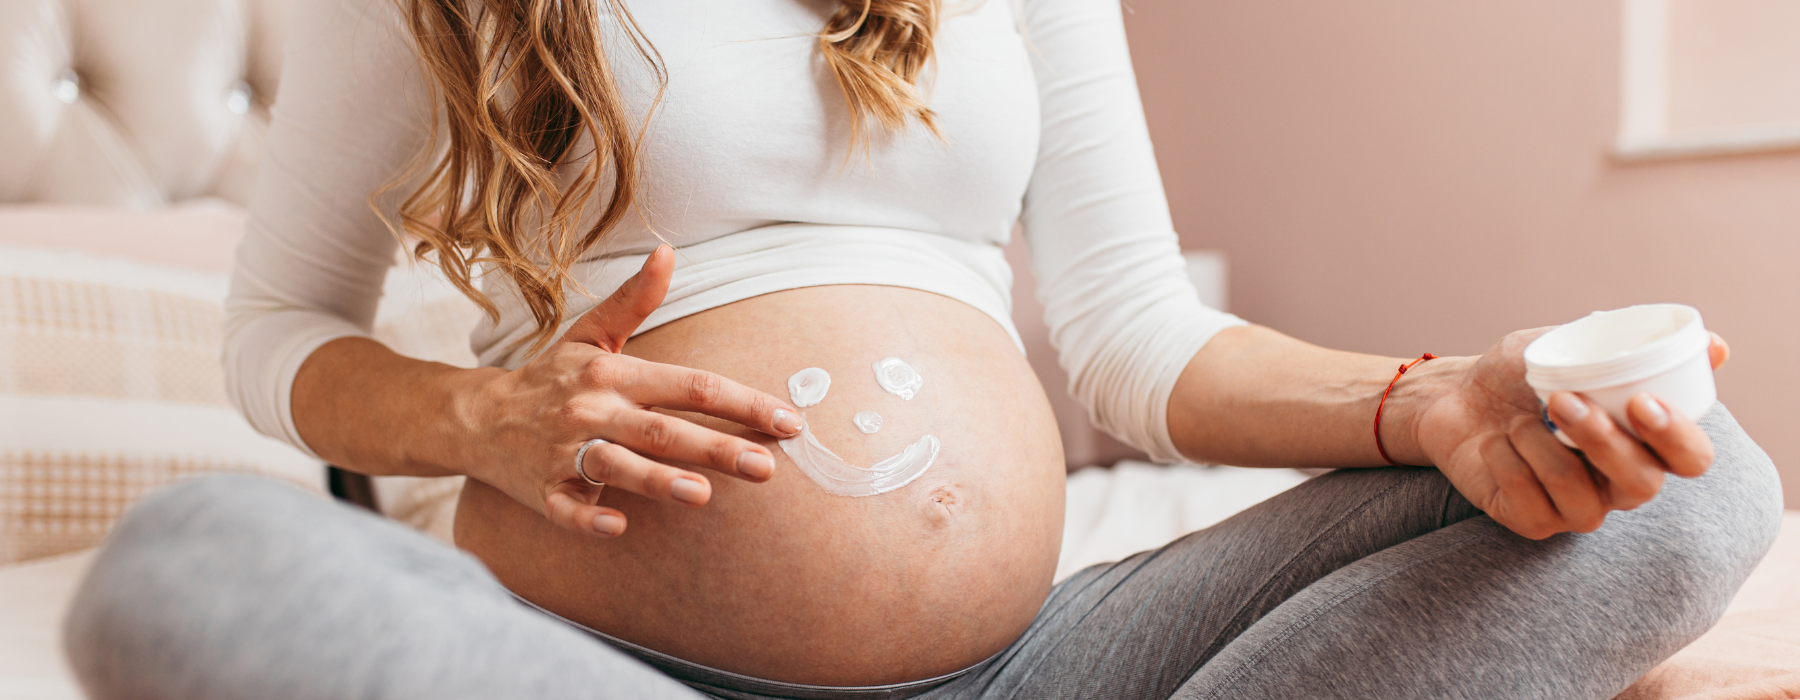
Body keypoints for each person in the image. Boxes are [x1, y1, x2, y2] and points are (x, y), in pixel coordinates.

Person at [64, 0, 1782, 697]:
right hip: (608, 661)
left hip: (1036, 662)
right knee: (182, 560)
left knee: (1692, 504)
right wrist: (485, 416)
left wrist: (1435, 405)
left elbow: (1130, 339)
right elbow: (279, 328)